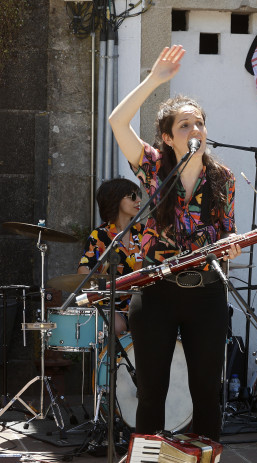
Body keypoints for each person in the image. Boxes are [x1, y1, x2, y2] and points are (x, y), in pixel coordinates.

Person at [108, 44, 241, 441]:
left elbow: (227, 229)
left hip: (206, 292)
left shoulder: (223, 178)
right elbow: (117, 121)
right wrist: (155, 79)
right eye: (184, 125)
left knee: (206, 393)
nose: (195, 130)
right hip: (156, 291)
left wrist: (231, 243)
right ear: (167, 137)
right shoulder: (153, 167)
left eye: (199, 123)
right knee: (152, 393)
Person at [77, 178, 145, 334]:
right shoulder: (100, 235)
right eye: (133, 196)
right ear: (116, 199)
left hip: (142, 302)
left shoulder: (145, 232)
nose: (139, 200)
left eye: (138, 195)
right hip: (112, 305)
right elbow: (84, 270)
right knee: (117, 326)